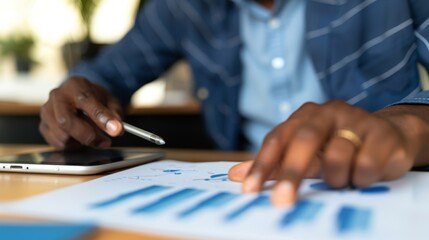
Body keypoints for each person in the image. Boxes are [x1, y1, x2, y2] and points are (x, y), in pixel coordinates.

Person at [40, 0, 429, 206]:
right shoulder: (182, 8)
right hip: (242, 194)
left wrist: (408, 124)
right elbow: (106, 77)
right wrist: (80, 103)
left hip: (377, 190)